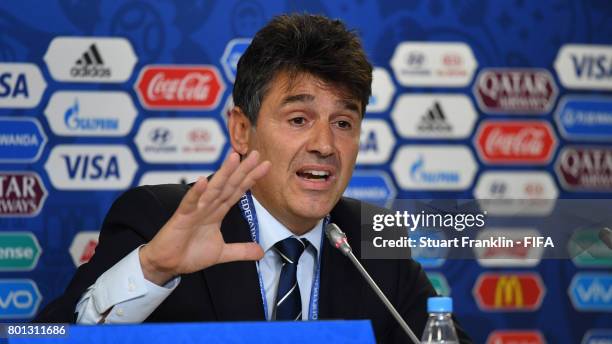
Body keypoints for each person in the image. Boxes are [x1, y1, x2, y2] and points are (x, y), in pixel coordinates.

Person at [35, 13, 472, 343]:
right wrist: (153, 268)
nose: (325, 144)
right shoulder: (157, 219)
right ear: (242, 130)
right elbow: (47, 335)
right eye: (299, 119)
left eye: (344, 123)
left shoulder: (373, 239)